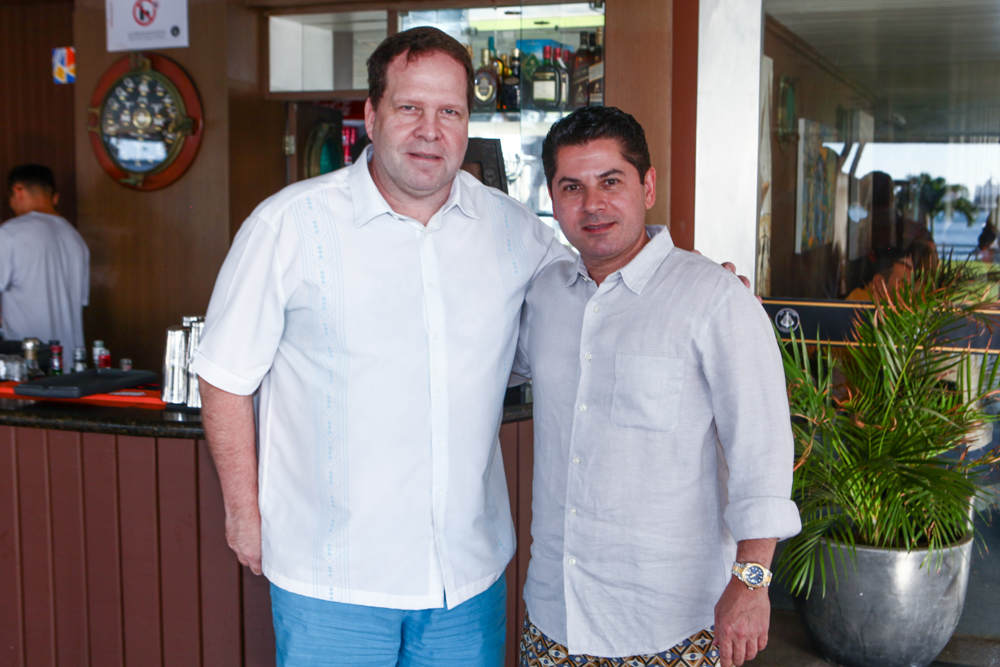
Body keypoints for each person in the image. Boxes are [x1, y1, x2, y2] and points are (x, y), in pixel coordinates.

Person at [192, 27, 567, 666]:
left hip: (465, 580)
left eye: (449, 112)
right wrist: (242, 513)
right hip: (331, 578)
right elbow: (225, 376)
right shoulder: (287, 225)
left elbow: (590, 302)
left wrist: (683, 282)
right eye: (410, 107)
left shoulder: (515, 230)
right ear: (371, 115)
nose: (430, 130)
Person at [511, 107, 801, 667]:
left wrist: (752, 582)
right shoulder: (543, 297)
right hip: (554, 615)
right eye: (572, 187)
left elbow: (762, 451)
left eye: (610, 182)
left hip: (673, 624)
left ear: (647, 186)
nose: (592, 205)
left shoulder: (715, 298)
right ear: (552, 198)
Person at [1, 165, 89, 368]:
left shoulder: (9, 234)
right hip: (71, 367)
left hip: (29, 368)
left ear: (18, 191)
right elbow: (80, 302)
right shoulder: (75, 238)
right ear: (53, 197)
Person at [846, 246, 913, 302]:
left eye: (910, 286)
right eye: (902, 282)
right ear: (879, 281)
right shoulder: (860, 307)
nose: (909, 292)